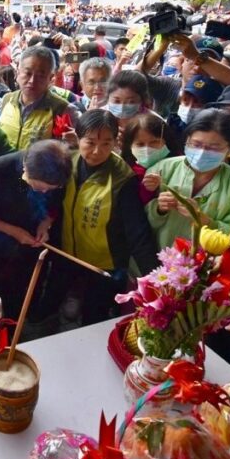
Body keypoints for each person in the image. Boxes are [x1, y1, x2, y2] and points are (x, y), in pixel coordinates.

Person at [56, 110, 159, 324]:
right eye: (90, 142)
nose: (97, 151)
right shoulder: (67, 162)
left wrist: (154, 278)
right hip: (68, 252)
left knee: (94, 314)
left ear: (115, 142)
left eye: (106, 143)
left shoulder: (123, 178)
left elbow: (136, 231)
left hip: (105, 263)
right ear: (78, 137)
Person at [0, 140, 72, 323]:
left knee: (23, 291)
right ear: (26, 169)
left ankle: (15, 328)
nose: (43, 192)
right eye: (38, 187)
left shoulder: (57, 176)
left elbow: (54, 205)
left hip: (29, 247)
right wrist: (14, 231)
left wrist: (46, 223)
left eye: (49, 189)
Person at [146, 109, 230, 249]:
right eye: (196, 145)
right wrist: (159, 209)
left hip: (203, 267)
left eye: (213, 148)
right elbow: (135, 222)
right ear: (187, 140)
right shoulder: (161, 169)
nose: (202, 152)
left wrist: (205, 221)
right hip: (150, 263)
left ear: (229, 149)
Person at [0, 46, 79, 151]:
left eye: (40, 76)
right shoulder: (7, 100)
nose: (32, 80)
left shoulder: (62, 109)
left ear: (50, 78)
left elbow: (70, 152)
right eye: (27, 73)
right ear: (18, 72)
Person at [121, 113, 176, 205]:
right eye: (140, 144)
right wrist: (146, 190)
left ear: (166, 141)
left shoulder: (179, 166)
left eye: (154, 142)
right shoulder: (126, 172)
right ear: (129, 146)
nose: (147, 149)